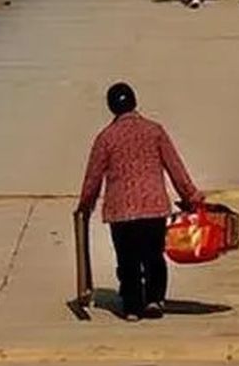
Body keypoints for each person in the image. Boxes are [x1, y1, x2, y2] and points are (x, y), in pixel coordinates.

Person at [76, 83, 204, 321]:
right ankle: (154, 299)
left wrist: (85, 204)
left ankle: (133, 307)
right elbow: (175, 166)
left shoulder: (106, 138)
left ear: (111, 107)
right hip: (153, 206)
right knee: (154, 255)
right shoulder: (154, 131)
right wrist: (191, 196)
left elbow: (93, 176)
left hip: (121, 210)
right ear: (134, 102)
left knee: (127, 259)